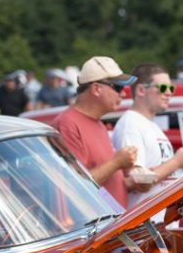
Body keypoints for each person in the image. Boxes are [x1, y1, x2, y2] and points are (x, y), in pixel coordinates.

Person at [52, 56, 139, 207]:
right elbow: (77, 185)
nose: (123, 94)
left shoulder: (97, 123)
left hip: (113, 225)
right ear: (96, 89)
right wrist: (117, 162)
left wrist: (130, 183)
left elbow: (103, 179)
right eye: (118, 87)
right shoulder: (67, 124)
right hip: (97, 228)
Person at [112, 64, 183, 207]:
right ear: (141, 90)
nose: (169, 93)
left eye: (172, 88)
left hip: (160, 223)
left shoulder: (150, 125)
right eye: (163, 88)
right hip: (144, 225)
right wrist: (177, 161)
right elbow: (137, 180)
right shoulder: (131, 125)